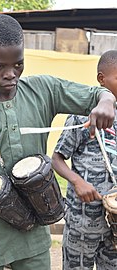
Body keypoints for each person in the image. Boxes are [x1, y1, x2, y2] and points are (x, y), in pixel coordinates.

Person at [0, 14, 116, 270]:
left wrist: (106, 102)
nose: (11, 74)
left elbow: (98, 93)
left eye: (18, 64)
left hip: (35, 224)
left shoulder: (44, 90)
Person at [52, 50, 117, 270]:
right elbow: (57, 158)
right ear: (101, 79)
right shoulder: (83, 115)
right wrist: (78, 182)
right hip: (83, 219)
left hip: (115, 222)